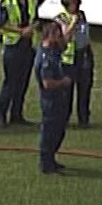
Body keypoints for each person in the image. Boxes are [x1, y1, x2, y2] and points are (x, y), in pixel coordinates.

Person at [0, 0, 39, 128]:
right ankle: (1, 114)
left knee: (23, 81)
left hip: (27, 46)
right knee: (10, 82)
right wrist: (22, 31)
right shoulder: (7, 1)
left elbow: (36, 19)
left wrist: (31, 28)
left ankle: (17, 114)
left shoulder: (32, 0)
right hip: (13, 46)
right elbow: (2, 24)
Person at [35, 22, 72, 174]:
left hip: (58, 99)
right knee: (50, 132)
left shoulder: (53, 50)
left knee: (58, 131)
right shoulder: (46, 57)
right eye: (57, 35)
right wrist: (63, 82)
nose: (59, 38)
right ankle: (46, 163)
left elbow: (64, 46)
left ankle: (51, 159)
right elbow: (47, 83)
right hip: (51, 100)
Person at [56, 0, 94, 128]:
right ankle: (64, 118)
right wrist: (73, 22)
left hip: (83, 54)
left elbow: (85, 34)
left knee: (85, 88)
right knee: (67, 91)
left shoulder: (82, 15)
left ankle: (84, 118)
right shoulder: (61, 18)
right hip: (68, 59)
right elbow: (65, 37)